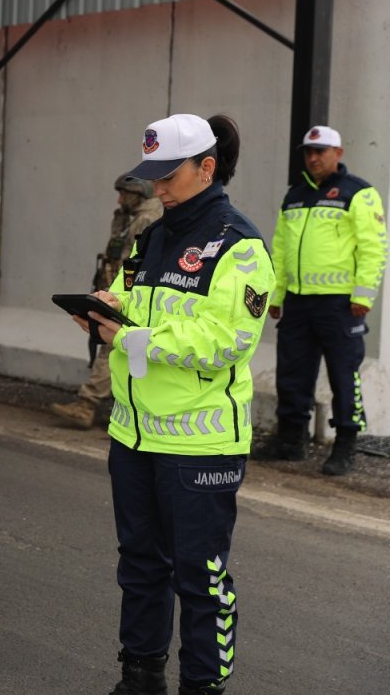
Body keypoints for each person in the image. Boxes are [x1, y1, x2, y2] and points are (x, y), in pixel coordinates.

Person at [72, 114, 273, 695]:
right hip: (133, 434)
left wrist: (131, 338)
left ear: (207, 168)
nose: (157, 186)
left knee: (201, 579)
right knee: (139, 566)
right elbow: (143, 307)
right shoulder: (154, 235)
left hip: (199, 444)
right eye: (151, 174)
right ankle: (140, 678)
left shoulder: (239, 244)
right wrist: (111, 303)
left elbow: (228, 340)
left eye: (169, 174)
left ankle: (202, 686)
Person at [259, 125, 387, 475]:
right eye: (309, 152)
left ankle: (345, 444)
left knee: (344, 376)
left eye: (321, 151)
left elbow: (374, 249)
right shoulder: (294, 195)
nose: (314, 158)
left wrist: (363, 295)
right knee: (292, 372)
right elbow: (281, 251)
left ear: (338, 153)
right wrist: (276, 294)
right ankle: (291, 440)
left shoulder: (358, 193)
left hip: (341, 305)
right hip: (298, 303)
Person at [52, 173, 163, 428]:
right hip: (117, 289)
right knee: (109, 346)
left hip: (130, 295)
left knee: (110, 347)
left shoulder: (147, 219)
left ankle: (87, 405)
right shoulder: (129, 217)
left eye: (125, 193)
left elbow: (134, 263)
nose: (119, 198)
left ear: (138, 194)